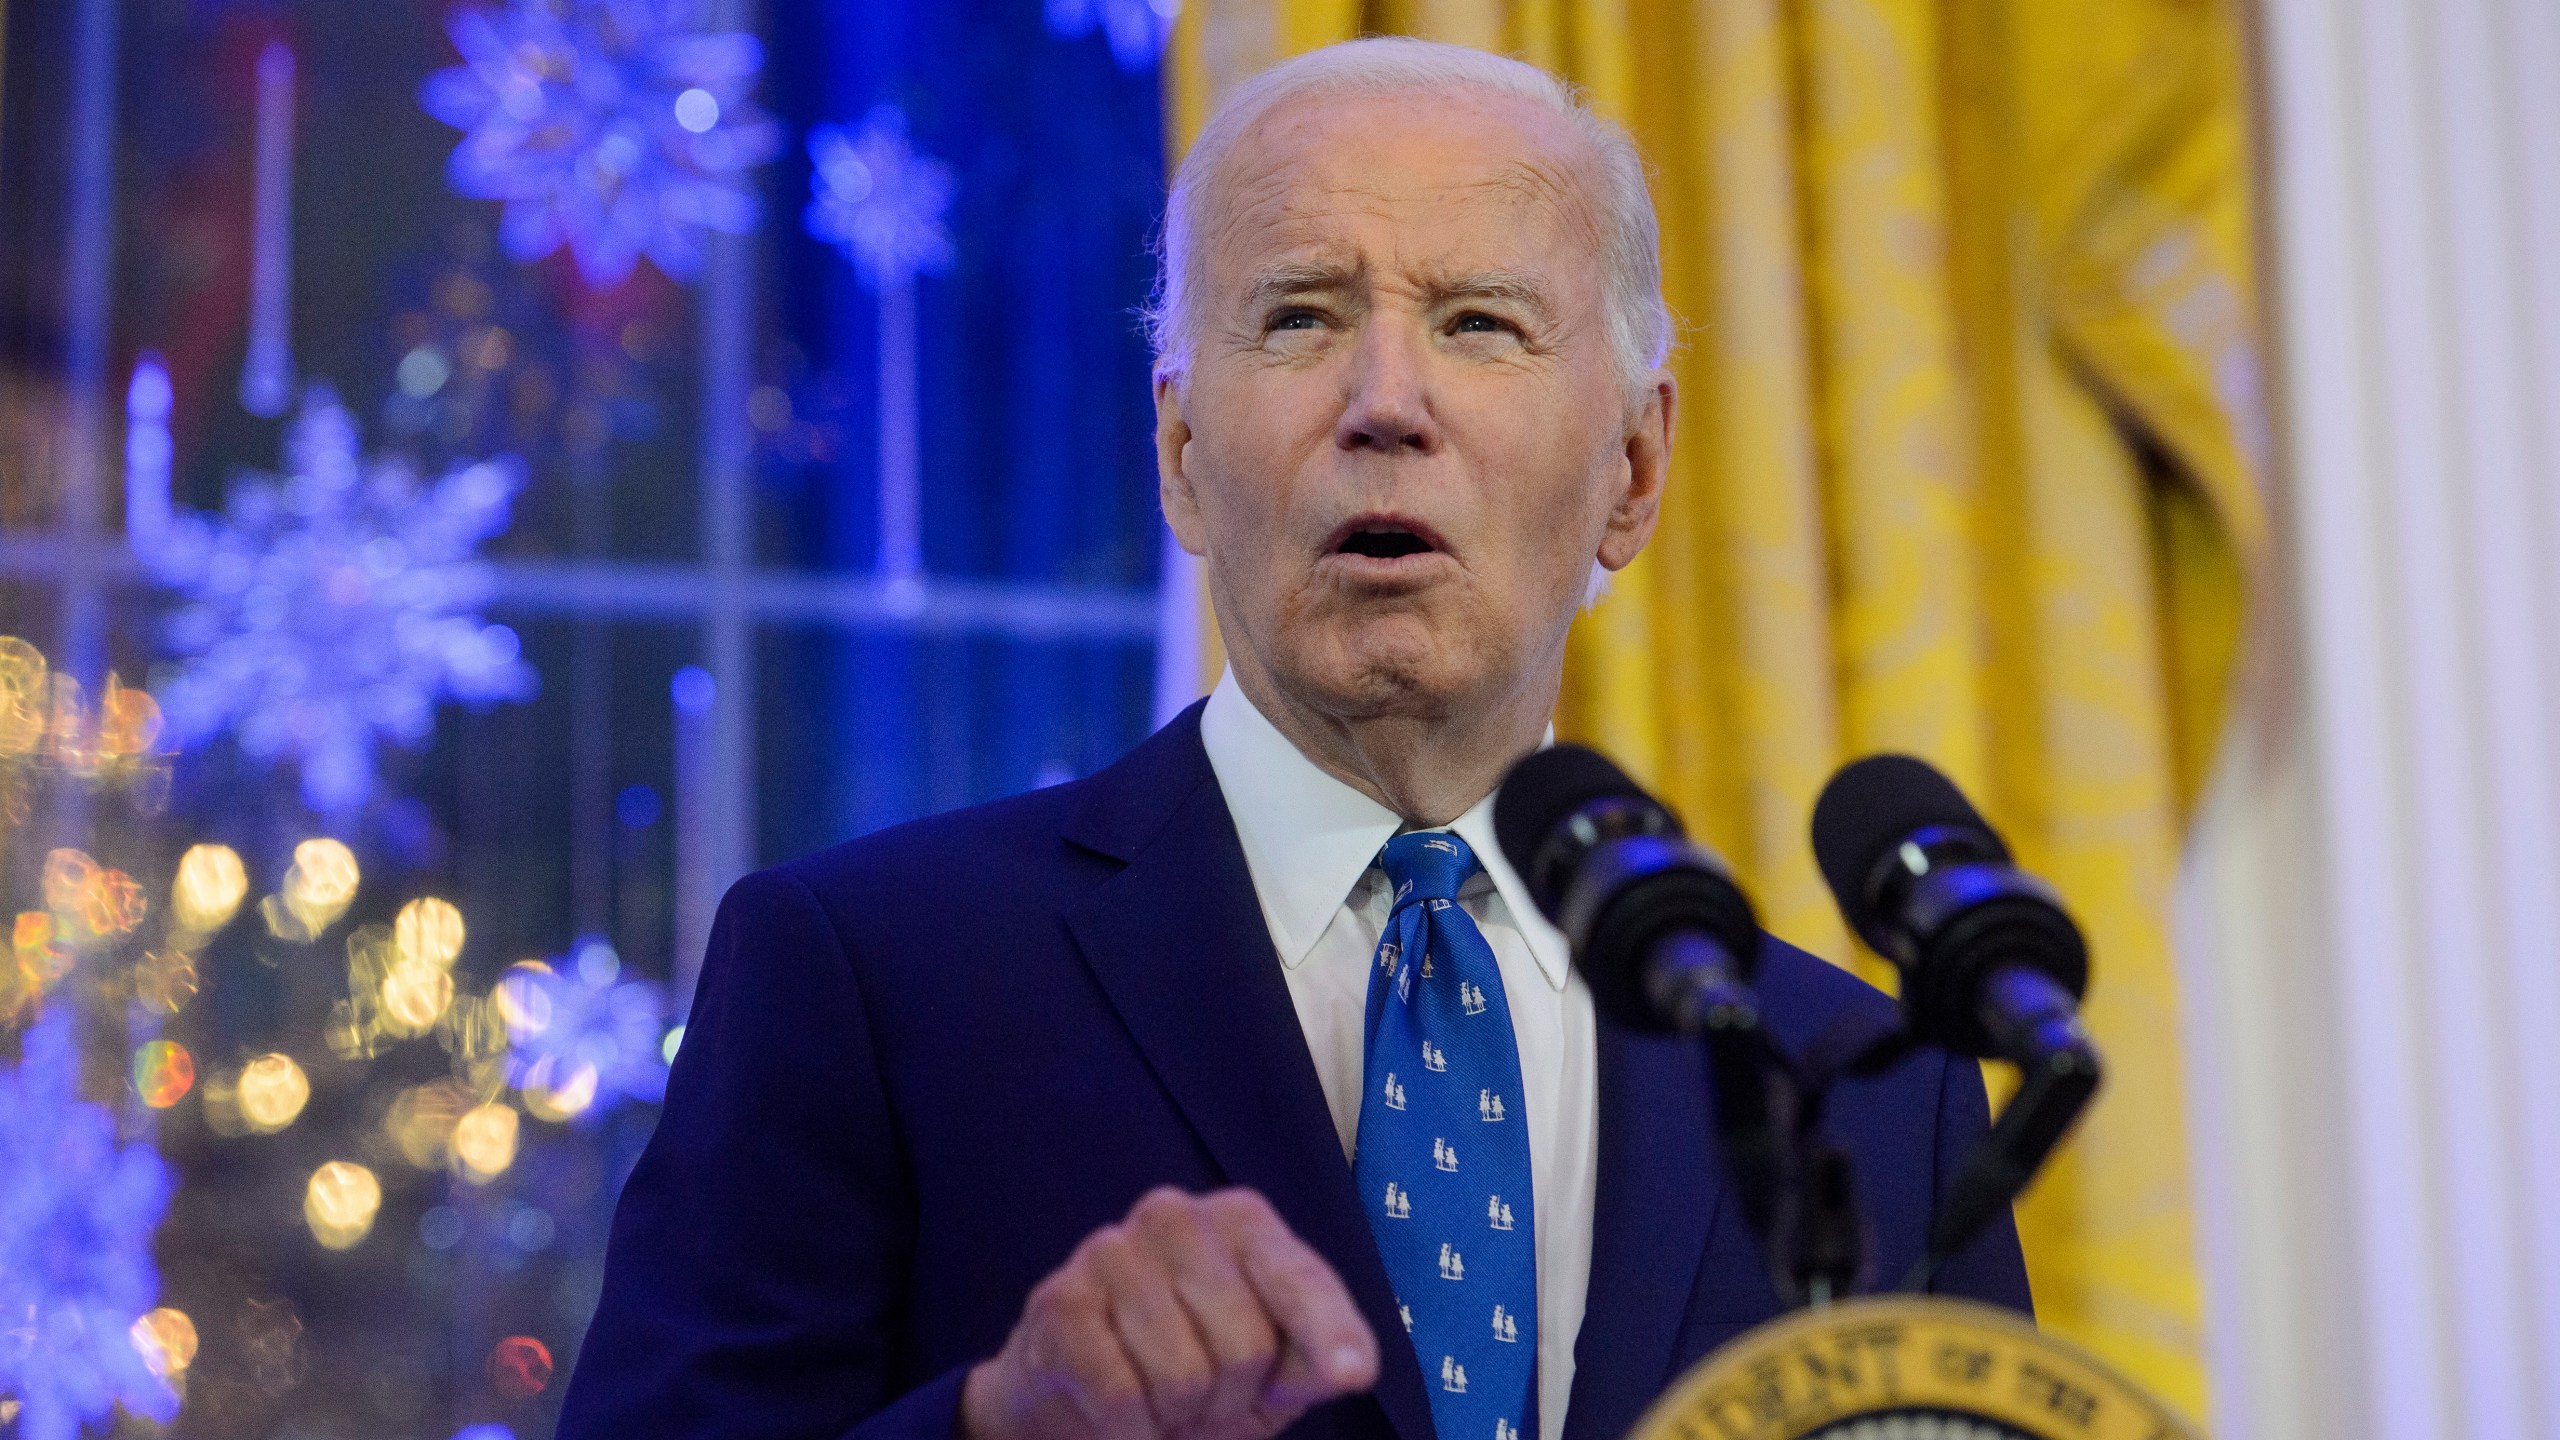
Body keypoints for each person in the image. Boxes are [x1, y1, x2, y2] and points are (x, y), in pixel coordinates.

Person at [556, 36, 2029, 1440]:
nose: (1385, 404)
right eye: (1300, 316)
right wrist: (1004, 1425)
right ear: (1183, 456)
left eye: (1480, 323)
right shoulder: (862, 977)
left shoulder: (1875, 1093)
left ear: (1633, 471)